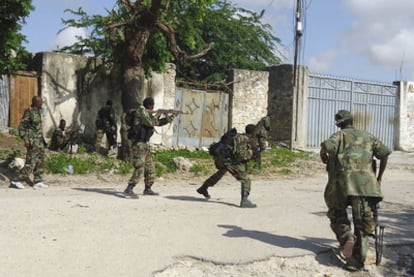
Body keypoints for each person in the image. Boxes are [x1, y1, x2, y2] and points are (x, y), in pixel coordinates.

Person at [319, 110, 391, 271]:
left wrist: (323, 154)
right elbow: (385, 153)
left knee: (337, 214)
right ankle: (356, 262)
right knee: (363, 224)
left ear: (339, 124)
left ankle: (346, 238)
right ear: (352, 121)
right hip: (365, 187)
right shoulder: (368, 136)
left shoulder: (339, 136)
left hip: (341, 187)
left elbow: (326, 146)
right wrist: (378, 178)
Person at [123, 97, 178, 198]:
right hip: (138, 143)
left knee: (150, 167)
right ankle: (129, 188)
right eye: (152, 105)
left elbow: (157, 123)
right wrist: (157, 115)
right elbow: (151, 122)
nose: (153, 107)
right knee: (140, 166)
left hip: (144, 144)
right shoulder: (141, 111)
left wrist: (171, 117)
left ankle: (148, 188)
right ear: (148, 105)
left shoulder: (146, 113)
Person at [196, 124, 260, 208]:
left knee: (221, 172)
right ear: (253, 132)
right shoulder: (244, 139)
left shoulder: (238, 137)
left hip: (222, 158)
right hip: (228, 161)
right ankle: (244, 200)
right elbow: (241, 155)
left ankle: (203, 188)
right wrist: (251, 154)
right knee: (245, 179)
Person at [11, 96, 48, 189]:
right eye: (40, 102)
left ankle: (38, 181)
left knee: (41, 162)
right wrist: (26, 139)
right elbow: (22, 127)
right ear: (35, 102)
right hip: (33, 142)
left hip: (40, 141)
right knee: (30, 163)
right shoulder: (29, 112)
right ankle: (16, 180)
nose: (42, 103)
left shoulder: (39, 111)